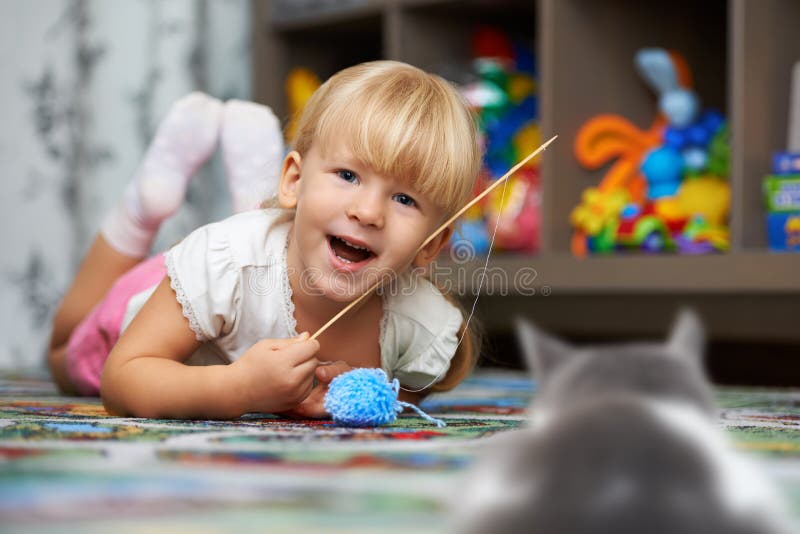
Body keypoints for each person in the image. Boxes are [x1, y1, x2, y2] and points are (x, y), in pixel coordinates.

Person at [47, 60, 482, 420]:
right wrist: (239, 388)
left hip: (244, 281)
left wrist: (355, 394)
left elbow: (413, 389)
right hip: (169, 297)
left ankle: (262, 206)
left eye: (404, 199)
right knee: (62, 352)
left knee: (263, 253)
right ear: (294, 179)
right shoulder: (223, 261)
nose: (367, 213)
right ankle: (140, 210)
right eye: (348, 176)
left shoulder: (416, 319)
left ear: (430, 244)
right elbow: (122, 379)